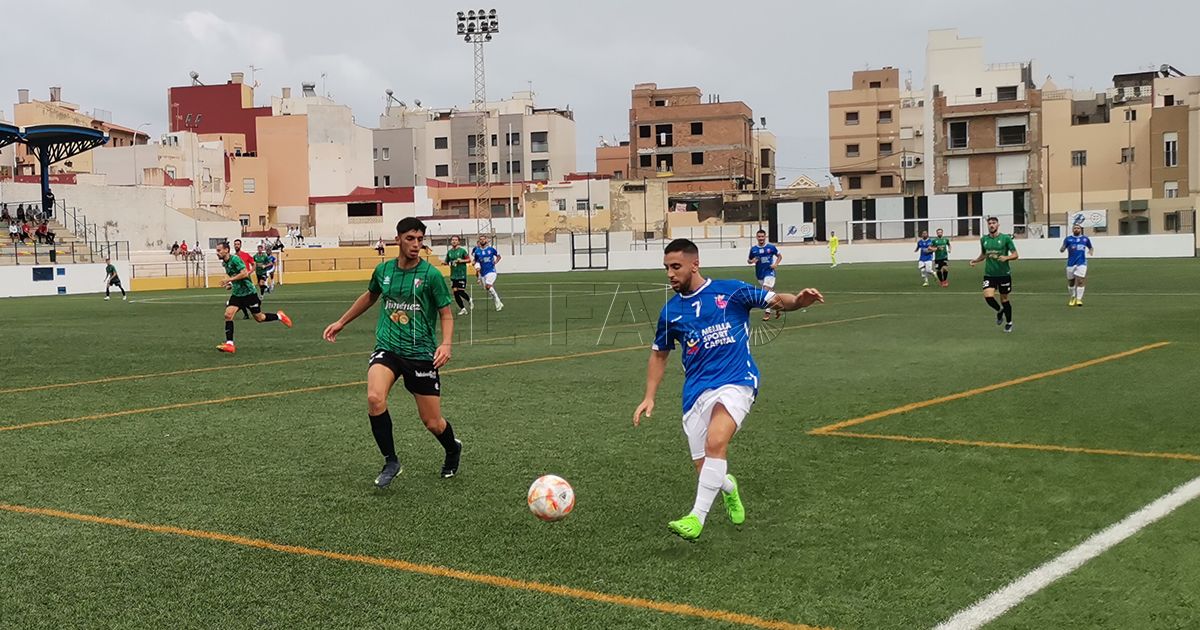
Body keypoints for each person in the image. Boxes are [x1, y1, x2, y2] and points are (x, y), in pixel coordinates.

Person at [633, 239, 823, 541]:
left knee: (716, 441)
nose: (670, 274)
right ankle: (729, 487)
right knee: (706, 467)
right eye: (666, 268)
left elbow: (776, 300)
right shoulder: (670, 313)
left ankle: (696, 518)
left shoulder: (731, 291)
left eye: (676, 267)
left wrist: (799, 301)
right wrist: (649, 396)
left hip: (737, 381)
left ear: (695, 265)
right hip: (696, 391)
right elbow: (659, 355)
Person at [322, 217, 460, 487]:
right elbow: (370, 296)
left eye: (420, 239)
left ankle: (452, 448)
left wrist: (445, 344)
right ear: (397, 239)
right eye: (410, 239)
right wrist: (341, 322)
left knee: (433, 422)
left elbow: (446, 313)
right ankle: (391, 461)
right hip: (388, 347)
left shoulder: (431, 275)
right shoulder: (383, 270)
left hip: (420, 353)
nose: (416, 244)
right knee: (375, 398)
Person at [215, 241, 292, 353]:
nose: (217, 253)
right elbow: (235, 276)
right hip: (237, 294)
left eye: (219, 250)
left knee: (259, 318)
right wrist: (231, 284)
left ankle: (279, 316)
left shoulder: (235, 259)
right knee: (228, 315)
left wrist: (229, 279)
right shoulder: (225, 263)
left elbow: (245, 273)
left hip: (249, 293)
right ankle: (230, 344)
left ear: (226, 250)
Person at [969, 216, 1019, 333]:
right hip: (989, 274)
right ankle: (999, 310)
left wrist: (1006, 257)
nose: (991, 225)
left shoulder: (1005, 238)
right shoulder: (984, 239)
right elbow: (984, 254)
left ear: (998, 225)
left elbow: (1016, 255)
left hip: (1003, 274)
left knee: (1004, 299)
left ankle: (1009, 322)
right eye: (990, 223)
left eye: (994, 223)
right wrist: (976, 260)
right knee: (988, 296)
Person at [746, 229, 781, 321]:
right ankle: (778, 306)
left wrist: (776, 264)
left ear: (765, 237)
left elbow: (779, 256)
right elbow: (749, 260)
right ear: (756, 237)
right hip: (759, 274)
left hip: (770, 272)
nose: (761, 238)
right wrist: (752, 261)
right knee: (769, 293)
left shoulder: (771, 247)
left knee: (765, 291)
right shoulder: (754, 249)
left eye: (762, 236)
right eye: (759, 236)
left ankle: (767, 312)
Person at [1061, 224, 1094, 307]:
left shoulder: (1085, 239)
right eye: (1075, 228)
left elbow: (1090, 247)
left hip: (1082, 262)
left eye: (1078, 228)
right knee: (1071, 282)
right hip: (1071, 263)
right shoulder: (1068, 239)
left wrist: (1091, 251)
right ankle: (1072, 297)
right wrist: (1062, 248)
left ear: (1080, 229)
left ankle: (1079, 299)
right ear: (1073, 230)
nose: (1076, 229)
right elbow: (1063, 247)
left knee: (1080, 280)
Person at [471, 235, 504, 311]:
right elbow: (476, 260)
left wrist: (495, 262)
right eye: (481, 239)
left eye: (483, 239)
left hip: (491, 271)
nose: (482, 240)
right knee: (487, 288)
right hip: (483, 272)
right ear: (479, 241)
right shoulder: (477, 251)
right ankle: (498, 301)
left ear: (486, 240)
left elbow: (499, 256)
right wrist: (474, 264)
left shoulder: (491, 249)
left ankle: (497, 302)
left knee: (488, 286)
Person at [444, 235, 473, 315]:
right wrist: (445, 263)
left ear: (459, 242)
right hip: (453, 275)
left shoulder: (462, 251)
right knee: (455, 292)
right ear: (451, 241)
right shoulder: (449, 252)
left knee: (460, 291)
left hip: (461, 274)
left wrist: (462, 260)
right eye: (453, 240)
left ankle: (469, 299)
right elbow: (447, 261)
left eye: (456, 240)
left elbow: (469, 260)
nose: (454, 241)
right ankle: (463, 309)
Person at [233, 239, 257, 319]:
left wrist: (250, 272)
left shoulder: (245, 255)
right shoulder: (233, 257)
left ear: (240, 245)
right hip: (238, 279)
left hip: (246, 279)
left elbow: (254, 263)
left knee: (249, 295)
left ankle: (255, 310)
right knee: (241, 296)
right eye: (235, 244)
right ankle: (246, 314)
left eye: (238, 244)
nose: (236, 246)